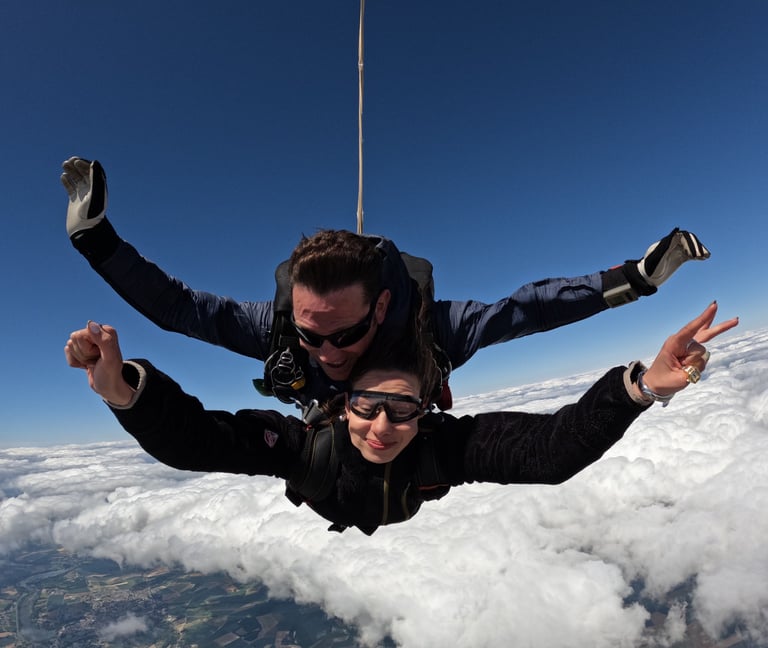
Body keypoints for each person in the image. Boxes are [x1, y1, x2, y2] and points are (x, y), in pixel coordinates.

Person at [61, 156, 712, 413]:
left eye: (344, 333)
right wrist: (95, 239)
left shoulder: (433, 329)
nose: (329, 352)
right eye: (313, 335)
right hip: (324, 432)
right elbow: (177, 309)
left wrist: (635, 280)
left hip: (409, 431)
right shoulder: (280, 331)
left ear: (382, 306)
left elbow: (528, 309)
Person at [65, 302, 738, 535]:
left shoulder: (440, 449)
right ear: (339, 405)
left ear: (427, 410)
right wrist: (125, 390)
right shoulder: (305, 446)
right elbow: (198, 443)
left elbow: (549, 451)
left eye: (402, 411)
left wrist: (643, 387)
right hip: (331, 487)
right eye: (366, 408)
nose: (383, 427)